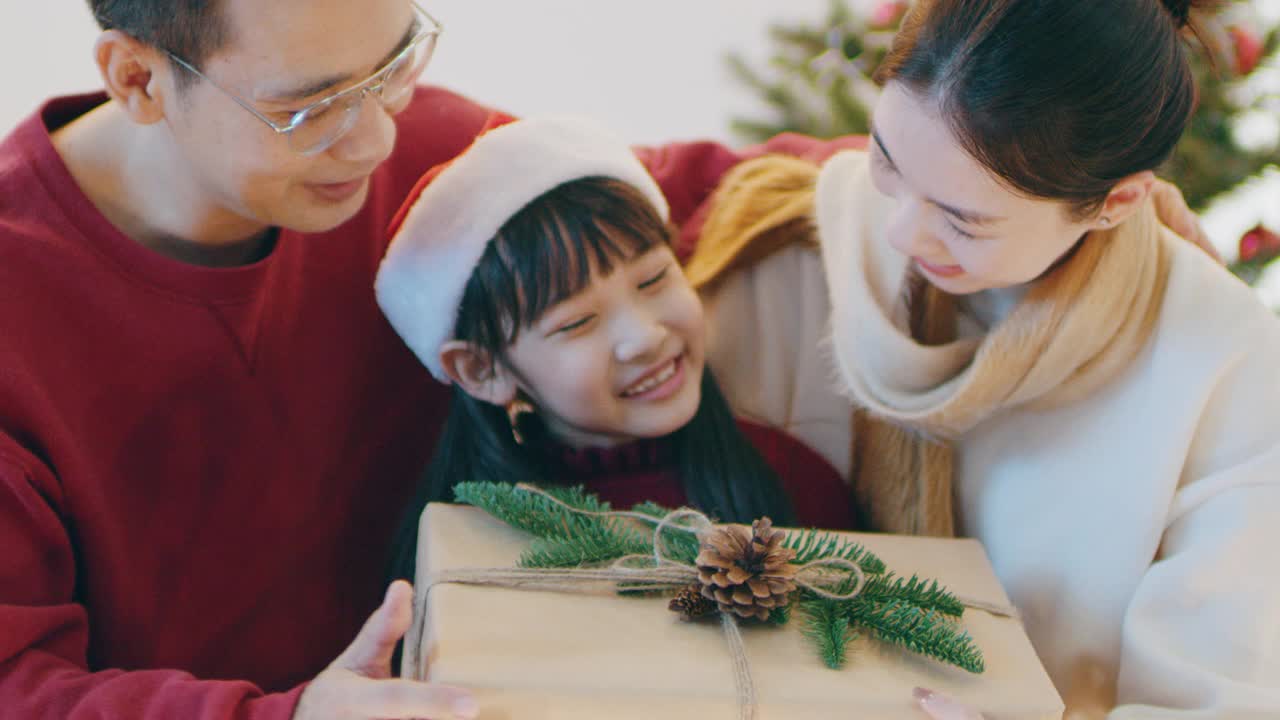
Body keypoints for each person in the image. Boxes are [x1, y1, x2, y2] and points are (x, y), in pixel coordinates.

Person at [0, 0, 1211, 718]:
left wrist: (998, 187)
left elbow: (674, 195)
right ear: (137, 78)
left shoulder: (393, 150)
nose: (377, 137)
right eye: (314, 104)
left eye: (395, 63)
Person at [686, 0, 1280, 717]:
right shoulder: (798, 242)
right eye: (886, 158)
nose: (902, 231)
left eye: (963, 221)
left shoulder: (1224, 368)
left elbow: (1220, 698)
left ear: (1116, 204)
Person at [373, 114, 857, 585]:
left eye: (654, 279)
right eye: (578, 322)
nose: (645, 337)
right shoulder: (464, 542)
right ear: (482, 370)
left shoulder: (793, 480)